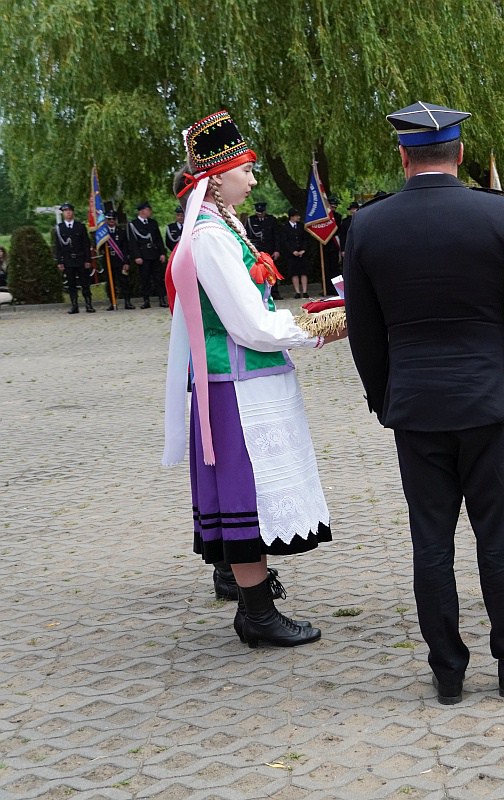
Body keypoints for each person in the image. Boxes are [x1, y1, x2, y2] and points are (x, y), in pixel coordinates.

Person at [344, 101, 504, 704]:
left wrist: (383, 395)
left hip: (415, 407)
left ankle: (447, 669)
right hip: (487, 402)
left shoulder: (368, 225)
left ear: (403, 154)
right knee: (496, 541)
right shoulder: (499, 214)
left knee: (431, 543)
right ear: (460, 153)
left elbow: (363, 330)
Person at [163, 109, 337, 648]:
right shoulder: (212, 237)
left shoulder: (222, 226)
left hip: (246, 382)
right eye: (247, 169)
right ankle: (256, 615)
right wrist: (317, 327)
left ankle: (251, 597)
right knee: (243, 494)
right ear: (217, 178)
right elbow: (250, 324)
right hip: (234, 386)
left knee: (252, 493)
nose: (255, 179)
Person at [53, 203, 94, 314]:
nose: (68, 213)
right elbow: (57, 246)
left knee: (85, 283)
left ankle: (88, 304)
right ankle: (74, 305)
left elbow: (86, 244)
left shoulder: (80, 226)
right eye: (66, 211)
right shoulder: (59, 228)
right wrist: (60, 261)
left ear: (73, 212)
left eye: (70, 211)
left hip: (80, 258)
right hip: (68, 259)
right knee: (71, 284)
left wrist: (88, 260)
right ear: (63, 213)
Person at [129, 202, 167, 308]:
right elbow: (132, 242)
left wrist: (162, 253)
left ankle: (162, 299)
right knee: (145, 279)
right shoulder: (133, 224)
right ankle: (146, 300)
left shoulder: (153, 223)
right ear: (142, 211)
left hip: (154, 254)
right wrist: (137, 256)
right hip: (143, 255)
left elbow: (158, 239)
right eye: (148, 209)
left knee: (158, 278)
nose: (150, 211)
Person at [281, 207, 310, 298]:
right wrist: (292, 251)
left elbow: (305, 239)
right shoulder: (285, 227)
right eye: (296, 216)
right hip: (292, 254)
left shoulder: (301, 226)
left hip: (302, 252)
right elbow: (285, 241)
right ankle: (297, 291)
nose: (298, 217)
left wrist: (303, 250)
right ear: (291, 217)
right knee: (294, 273)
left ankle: (305, 291)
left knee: (304, 272)